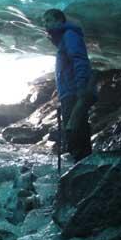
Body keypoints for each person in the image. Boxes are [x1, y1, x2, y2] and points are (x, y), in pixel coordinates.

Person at [42, 9, 97, 162]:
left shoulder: (70, 36)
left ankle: (80, 169)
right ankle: (81, 167)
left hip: (74, 93)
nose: (46, 24)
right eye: (44, 22)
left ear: (60, 21)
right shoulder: (63, 39)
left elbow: (80, 60)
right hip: (69, 93)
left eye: (49, 20)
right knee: (77, 131)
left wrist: (81, 88)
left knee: (76, 133)